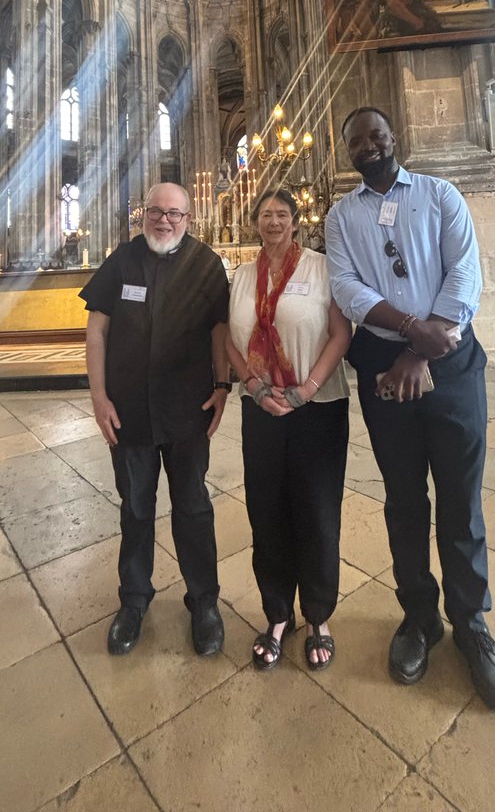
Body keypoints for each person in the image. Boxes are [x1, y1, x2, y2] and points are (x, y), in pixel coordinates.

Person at [324, 108, 495, 713]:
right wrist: (409, 336)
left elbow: (465, 271)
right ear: (348, 152)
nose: (368, 146)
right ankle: (419, 617)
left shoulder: (440, 194)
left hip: (451, 361)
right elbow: (347, 288)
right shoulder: (341, 215)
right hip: (386, 369)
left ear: (392, 139)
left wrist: (426, 344)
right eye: (356, 141)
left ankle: (472, 624)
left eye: (375, 136)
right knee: (404, 499)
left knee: (461, 496)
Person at [80, 182, 231, 658]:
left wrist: (224, 386)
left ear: (189, 219)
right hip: (128, 412)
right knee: (136, 509)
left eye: (174, 214)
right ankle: (133, 601)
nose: (164, 221)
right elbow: (97, 330)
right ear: (142, 214)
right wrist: (99, 396)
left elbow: (220, 331)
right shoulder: (121, 260)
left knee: (193, 508)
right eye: (155, 212)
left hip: (188, 412)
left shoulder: (205, 263)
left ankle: (204, 602)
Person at [226, 188, 351, 672]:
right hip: (261, 410)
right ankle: (278, 615)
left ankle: (318, 616)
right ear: (255, 221)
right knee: (267, 511)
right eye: (265, 215)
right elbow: (229, 342)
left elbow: (341, 333)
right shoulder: (240, 276)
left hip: (316, 406)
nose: (273, 221)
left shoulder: (321, 268)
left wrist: (307, 388)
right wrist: (254, 387)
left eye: (282, 214)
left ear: (297, 222)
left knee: (318, 512)